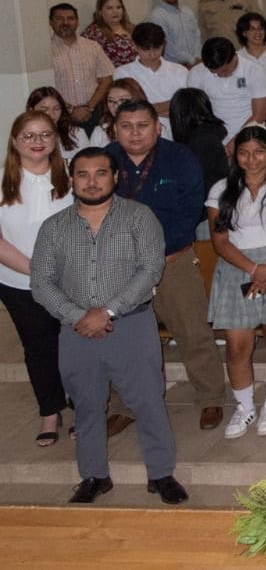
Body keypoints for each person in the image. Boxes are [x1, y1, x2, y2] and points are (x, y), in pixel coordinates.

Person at [32, 148, 188, 505]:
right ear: (71, 179)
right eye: (83, 174)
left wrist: (109, 311)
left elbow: (150, 270)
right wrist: (77, 316)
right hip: (76, 332)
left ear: (115, 177)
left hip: (131, 326)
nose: (91, 181)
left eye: (100, 173)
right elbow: (41, 282)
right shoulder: (53, 227)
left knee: (149, 402)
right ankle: (94, 476)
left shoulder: (139, 217)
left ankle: (161, 474)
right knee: (86, 407)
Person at [105, 99, 228, 431]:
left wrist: (152, 254)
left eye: (142, 125)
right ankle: (125, 404)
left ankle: (211, 397)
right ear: (115, 129)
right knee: (126, 339)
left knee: (193, 331)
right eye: (126, 126)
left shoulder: (180, 158)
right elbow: (92, 209)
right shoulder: (104, 160)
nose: (134, 133)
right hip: (122, 268)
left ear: (158, 127)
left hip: (172, 261)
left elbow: (190, 212)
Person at [205, 126, 266, 439]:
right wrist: (254, 269)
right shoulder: (220, 189)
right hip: (238, 267)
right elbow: (220, 241)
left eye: (259, 151)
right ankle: (244, 407)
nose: (251, 159)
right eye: (244, 152)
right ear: (234, 154)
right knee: (237, 342)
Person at [0, 111, 74, 447]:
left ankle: (81, 404)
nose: (37, 141)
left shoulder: (71, 179)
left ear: (55, 140)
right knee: (39, 349)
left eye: (45, 134)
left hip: (71, 281)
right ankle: (50, 410)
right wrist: (37, 270)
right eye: (28, 135)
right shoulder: (2, 182)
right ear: (14, 141)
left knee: (75, 347)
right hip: (18, 282)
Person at [187, 38, 266, 142]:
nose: (220, 75)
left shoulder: (255, 72)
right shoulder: (196, 73)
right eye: (214, 72)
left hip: (249, 133)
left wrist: (235, 142)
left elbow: (259, 116)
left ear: (235, 57)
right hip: (214, 134)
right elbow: (196, 112)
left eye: (224, 70)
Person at [48, 3, 114, 131]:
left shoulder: (92, 46)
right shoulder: (45, 51)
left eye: (70, 18)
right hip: (61, 116)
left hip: (94, 113)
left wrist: (89, 107)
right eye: (59, 18)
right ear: (51, 22)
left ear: (77, 22)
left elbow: (106, 80)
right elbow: (47, 89)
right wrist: (71, 110)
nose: (65, 22)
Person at [115, 24, 190, 129]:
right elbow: (129, 110)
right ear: (135, 46)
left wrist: (151, 108)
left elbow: (189, 105)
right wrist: (173, 104)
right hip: (141, 131)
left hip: (179, 130)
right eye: (146, 50)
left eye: (157, 48)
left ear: (163, 45)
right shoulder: (123, 73)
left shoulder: (179, 70)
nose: (153, 54)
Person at [147, 0, 202, 67]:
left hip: (197, 63)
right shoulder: (157, 15)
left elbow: (197, 36)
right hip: (174, 66)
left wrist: (197, 58)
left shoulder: (187, 11)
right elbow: (166, 45)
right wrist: (191, 60)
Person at [82, 0, 137, 68]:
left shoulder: (132, 28)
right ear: (100, 12)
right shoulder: (93, 33)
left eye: (118, 7)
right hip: (110, 77)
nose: (115, 11)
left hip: (136, 75)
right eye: (109, 8)